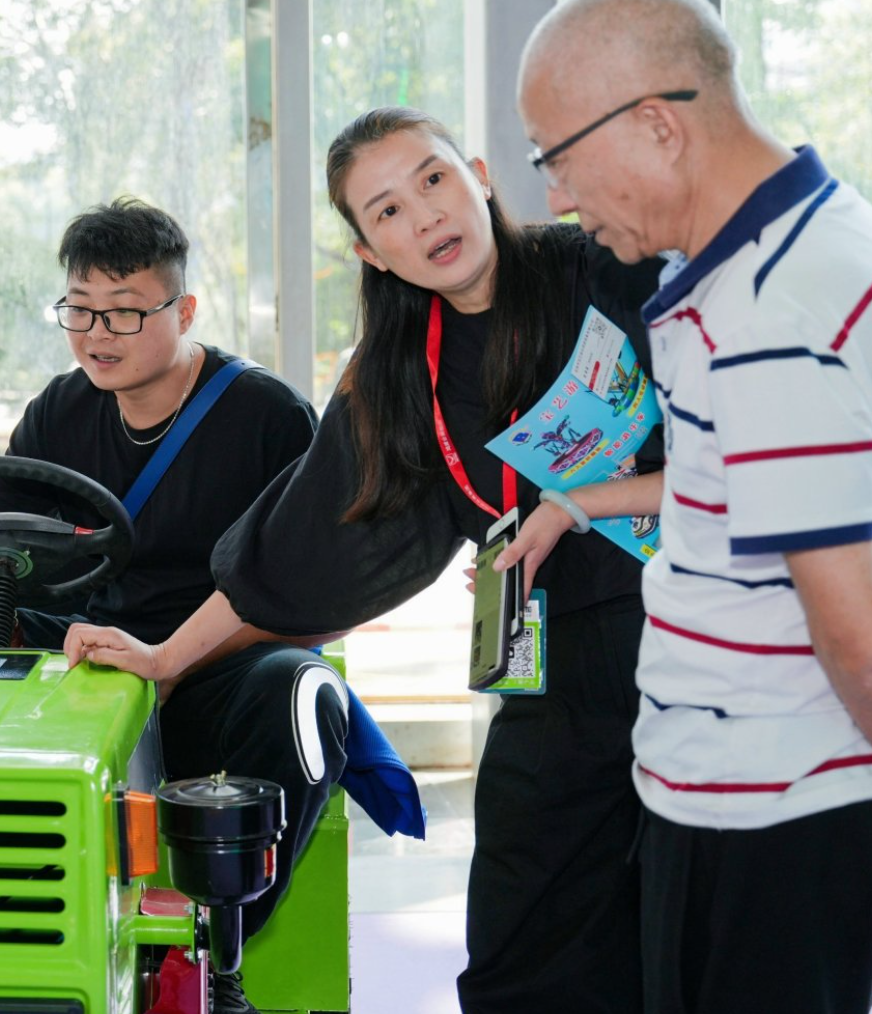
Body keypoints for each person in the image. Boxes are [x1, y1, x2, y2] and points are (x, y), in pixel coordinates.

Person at [66, 108, 666, 1013]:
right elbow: (293, 549)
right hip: (555, 664)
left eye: (432, 180)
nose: (424, 217)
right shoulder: (397, 374)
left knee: (701, 928)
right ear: (368, 252)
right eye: (386, 211)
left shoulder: (602, 267)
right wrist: (162, 660)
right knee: (520, 947)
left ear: (477, 175)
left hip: (708, 632)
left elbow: (752, 449)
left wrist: (579, 502)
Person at [0, 197, 361, 1014]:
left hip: (216, 667)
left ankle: (216, 948)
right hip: (88, 655)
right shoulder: (64, 406)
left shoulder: (266, 418)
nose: (98, 334)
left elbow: (322, 594)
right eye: (81, 310)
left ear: (184, 311)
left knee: (303, 689)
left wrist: (173, 659)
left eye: (125, 312)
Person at [515, 2, 872, 1012]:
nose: (556, 196)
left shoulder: (773, 306)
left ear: (656, 124)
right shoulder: (734, 261)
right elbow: (741, 477)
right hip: (725, 786)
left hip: (774, 811)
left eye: (556, 157)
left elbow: (860, 647)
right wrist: (579, 502)